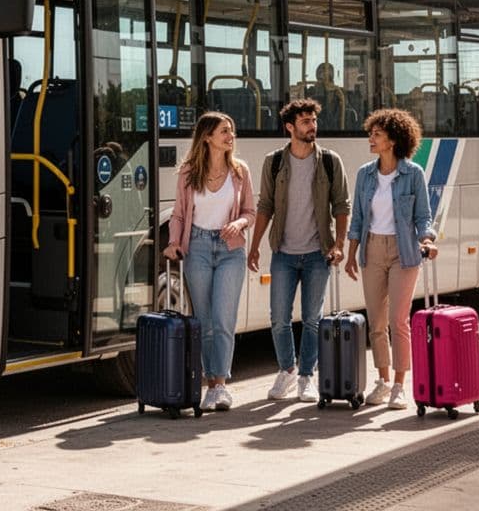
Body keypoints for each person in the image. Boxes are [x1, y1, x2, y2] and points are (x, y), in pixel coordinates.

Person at [248, 98, 350, 402]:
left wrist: (339, 244)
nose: (312, 127)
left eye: (314, 121)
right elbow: (265, 205)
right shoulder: (274, 162)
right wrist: (254, 246)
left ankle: (307, 376)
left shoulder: (330, 161)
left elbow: (342, 206)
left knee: (311, 319)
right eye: (305, 122)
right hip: (284, 253)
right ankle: (287, 371)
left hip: (318, 253)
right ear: (290, 127)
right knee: (279, 318)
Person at [344, 108, 438, 410]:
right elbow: (357, 217)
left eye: (377, 135)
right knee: (377, 322)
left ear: (393, 141)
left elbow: (423, 216)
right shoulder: (364, 174)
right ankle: (383, 381)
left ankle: (400, 385)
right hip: (372, 249)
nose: (371, 138)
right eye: (371, 133)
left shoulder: (413, 174)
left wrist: (427, 239)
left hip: (404, 251)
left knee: (399, 320)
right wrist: (350, 254)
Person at [163, 112, 256, 412]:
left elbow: (251, 212)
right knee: (204, 321)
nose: (231, 136)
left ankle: (221, 385)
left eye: (231, 131)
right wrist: (173, 243)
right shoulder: (189, 172)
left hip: (230, 249)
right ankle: (210, 384)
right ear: (207, 137)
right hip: (198, 248)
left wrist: (239, 223)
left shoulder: (240, 171)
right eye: (224, 132)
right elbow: (178, 214)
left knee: (224, 319)